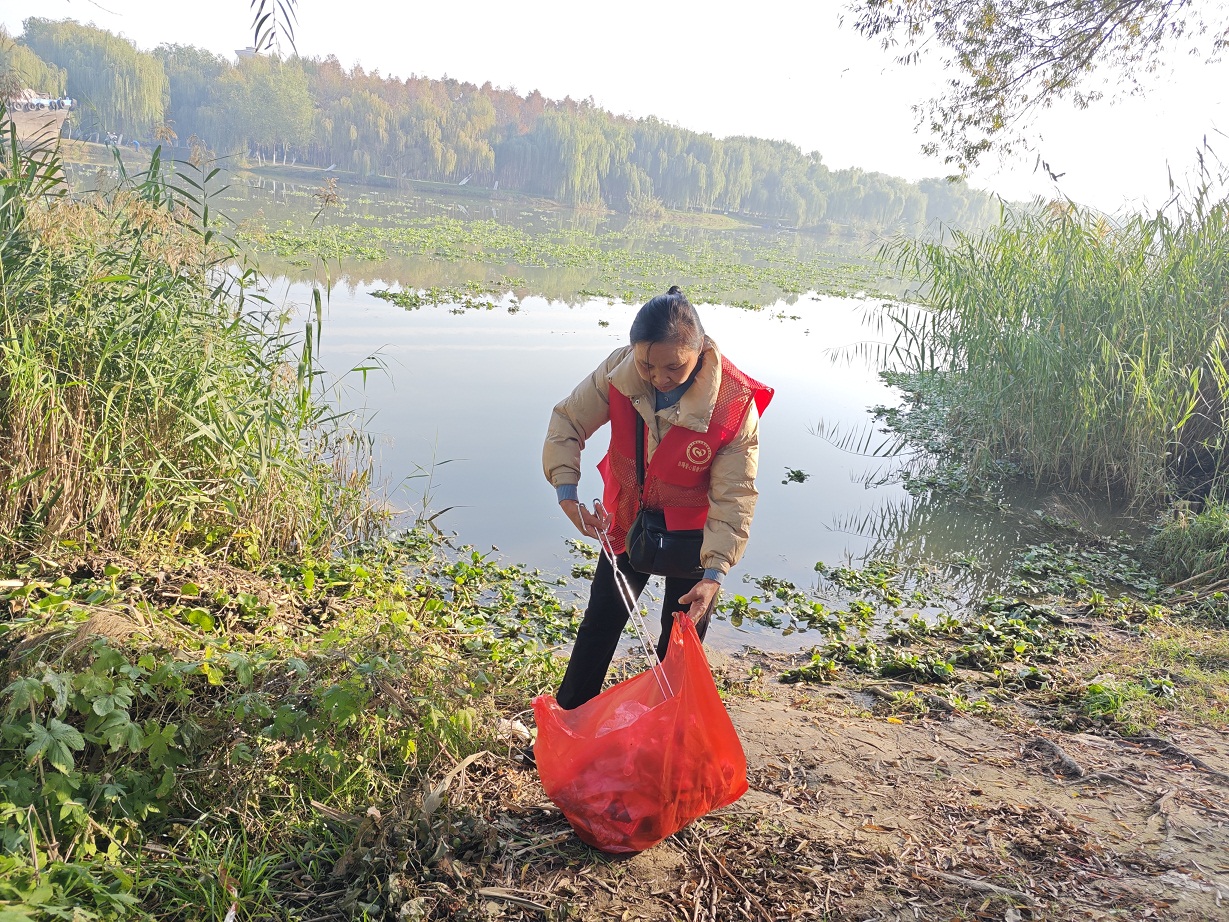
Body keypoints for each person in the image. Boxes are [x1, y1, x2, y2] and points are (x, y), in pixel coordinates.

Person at [543, 286, 773, 709]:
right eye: (647, 364)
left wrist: (714, 575)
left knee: (679, 646)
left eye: (673, 367)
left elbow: (735, 494)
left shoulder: (734, 404)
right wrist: (567, 494)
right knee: (599, 625)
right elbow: (568, 421)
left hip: (694, 539)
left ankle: (665, 741)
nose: (658, 378)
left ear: (699, 349)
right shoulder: (618, 371)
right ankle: (569, 725)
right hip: (627, 520)